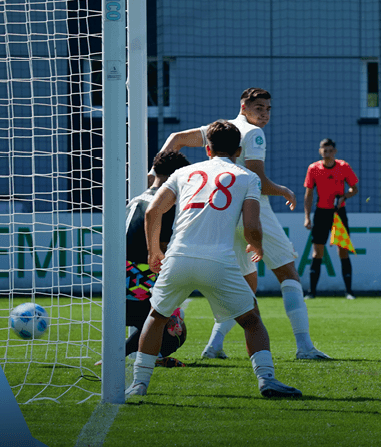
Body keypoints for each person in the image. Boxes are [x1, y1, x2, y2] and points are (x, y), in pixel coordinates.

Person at [127, 120, 302, 398]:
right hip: (218, 262)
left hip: (178, 257)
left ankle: (138, 384)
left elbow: (153, 212)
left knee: (157, 317)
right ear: (239, 149)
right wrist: (256, 246)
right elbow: (252, 227)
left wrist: (153, 251)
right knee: (252, 319)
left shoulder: (183, 173)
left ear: (207, 149)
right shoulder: (247, 177)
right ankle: (267, 379)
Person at [153, 88, 330, 361]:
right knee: (289, 274)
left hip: (223, 214)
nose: (265, 113)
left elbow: (176, 139)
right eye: (259, 107)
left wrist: (156, 177)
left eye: (269, 109)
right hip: (252, 211)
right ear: (243, 106)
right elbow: (258, 180)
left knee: (246, 286)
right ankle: (305, 346)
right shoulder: (253, 133)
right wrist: (284, 190)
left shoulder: (218, 129)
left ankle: (213, 346)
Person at [123, 151, 192, 367]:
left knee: (162, 318)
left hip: (118, 282)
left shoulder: (136, 199)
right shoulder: (164, 204)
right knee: (176, 330)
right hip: (139, 282)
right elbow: (160, 250)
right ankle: (126, 356)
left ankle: (123, 353)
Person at [304, 138, 359, 299]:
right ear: (320, 151)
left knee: (343, 250)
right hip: (321, 213)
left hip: (338, 214)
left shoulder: (343, 167)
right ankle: (311, 292)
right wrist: (307, 217)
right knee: (317, 252)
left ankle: (349, 292)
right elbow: (308, 195)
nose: (327, 153)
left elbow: (354, 188)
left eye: (330, 150)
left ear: (335, 151)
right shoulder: (313, 168)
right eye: (324, 150)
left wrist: (344, 196)